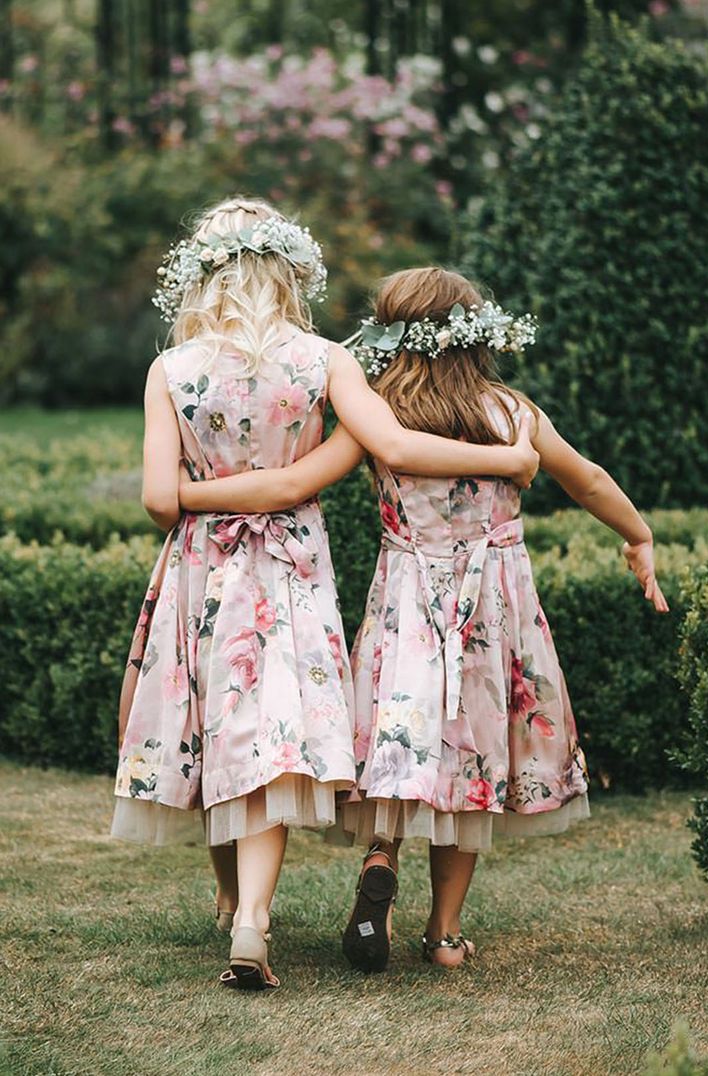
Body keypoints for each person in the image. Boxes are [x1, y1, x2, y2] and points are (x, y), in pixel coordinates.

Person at [180, 265, 668, 976]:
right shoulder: (513, 416)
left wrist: (197, 492)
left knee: (398, 739)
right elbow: (585, 477)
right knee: (472, 751)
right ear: (475, 333)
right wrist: (638, 534)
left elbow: (298, 478)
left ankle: (381, 855)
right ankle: (442, 934)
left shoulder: (378, 416)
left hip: (407, 604)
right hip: (492, 610)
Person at [111, 203, 539, 992]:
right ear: (288, 273)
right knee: (270, 735)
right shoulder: (323, 363)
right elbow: (393, 448)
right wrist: (510, 459)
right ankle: (249, 919)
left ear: (203, 274)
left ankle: (237, 900)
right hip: (288, 572)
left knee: (214, 725)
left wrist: (209, 492)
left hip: (204, 566)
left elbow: (160, 503)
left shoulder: (170, 372)